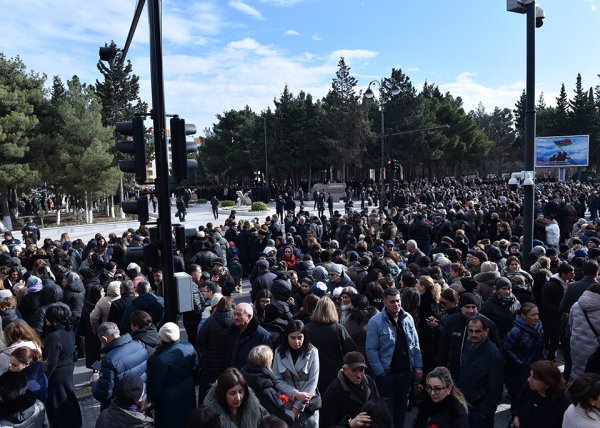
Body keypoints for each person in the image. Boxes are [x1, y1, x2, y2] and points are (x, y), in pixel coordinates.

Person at [365, 287, 423, 428]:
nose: (396, 305)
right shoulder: (375, 321)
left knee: (402, 407)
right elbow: (371, 349)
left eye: (398, 301)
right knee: (386, 410)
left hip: (405, 373)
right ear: (384, 302)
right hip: (387, 374)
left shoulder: (408, 318)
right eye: (392, 302)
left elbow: (415, 344)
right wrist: (380, 372)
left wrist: (418, 366)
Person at [148, 322, 197, 428]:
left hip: (168, 401)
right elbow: (195, 368)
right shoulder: (189, 347)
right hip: (187, 393)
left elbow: (157, 385)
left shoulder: (161, 360)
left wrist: (152, 402)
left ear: (162, 339)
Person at [457, 316, 503, 428]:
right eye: (470, 331)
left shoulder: (494, 355)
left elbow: (495, 388)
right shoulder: (468, 345)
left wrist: (484, 412)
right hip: (465, 405)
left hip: (480, 412)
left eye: (477, 331)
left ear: (486, 331)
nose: (473, 334)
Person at [272, 320, 320, 427]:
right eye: (293, 338)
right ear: (287, 337)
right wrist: (296, 394)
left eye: (300, 338)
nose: (296, 341)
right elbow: (277, 379)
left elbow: (312, 381)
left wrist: (297, 408)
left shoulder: (312, 352)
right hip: (286, 400)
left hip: (306, 402)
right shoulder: (279, 352)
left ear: (305, 337)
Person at [91, 321, 148, 411]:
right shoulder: (139, 346)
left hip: (121, 407)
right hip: (140, 399)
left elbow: (103, 394)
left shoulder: (109, 360)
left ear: (104, 338)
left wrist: (94, 382)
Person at [305, 296, 356, 393]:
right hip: (336, 375)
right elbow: (351, 349)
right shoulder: (339, 329)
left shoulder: (307, 329)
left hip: (312, 374)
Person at [43, 305, 82, 427]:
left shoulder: (53, 336)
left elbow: (51, 362)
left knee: (57, 402)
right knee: (68, 396)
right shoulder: (68, 331)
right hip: (67, 369)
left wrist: (44, 378)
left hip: (57, 375)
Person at [321, 351, 380, 428]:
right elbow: (326, 425)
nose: (359, 375)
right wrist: (349, 424)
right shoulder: (333, 391)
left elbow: (379, 408)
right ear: (344, 370)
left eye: (361, 370)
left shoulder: (370, 382)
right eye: (354, 370)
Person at [241, 345, 294, 426]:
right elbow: (280, 419)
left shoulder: (242, 381)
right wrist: (292, 415)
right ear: (268, 363)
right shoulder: (265, 388)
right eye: (271, 361)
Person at [503, 303, 546, 403]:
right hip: (520, 372)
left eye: (537, 314)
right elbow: (507, 348)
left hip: (536, 368)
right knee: (520, 396)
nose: (536, 317)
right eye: (533, 315)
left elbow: (542, 345)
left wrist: (544, 358)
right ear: (523, 315)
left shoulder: (539, 327)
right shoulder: (515, 331)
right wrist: (521, 363)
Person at [196, 296, 235, 405]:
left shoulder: (210, 321)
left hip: (210, 364)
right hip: (229, 362)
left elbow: (199, 341)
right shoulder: (235, 322)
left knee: (209, 393)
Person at [511, 360, 569, 428]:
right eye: (530, 375)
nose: (529, 380)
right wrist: (516, 417)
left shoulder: (562, 404)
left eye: (534, 378)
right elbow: (518, 402)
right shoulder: (529, 387)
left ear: (548, 383)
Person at [203, 367, 268, 427]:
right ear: (223, 394)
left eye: (241, 391)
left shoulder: (254, 407)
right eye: (232, 393)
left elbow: (268, 421)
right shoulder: (210, 418)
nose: (238, 398)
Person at [568, 282, 600, 380]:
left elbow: (571, 325)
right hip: (595, 349)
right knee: (591, 376)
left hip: (576, 345)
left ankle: (574, 388)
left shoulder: (576, 305)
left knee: (576, 370)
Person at [225, 302, 272, 369]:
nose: (235, 317)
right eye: (234, 314)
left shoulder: (262, 335)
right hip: (232, 375)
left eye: (239, 315)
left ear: (249, 317)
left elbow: (266, 362)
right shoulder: (231, 331)